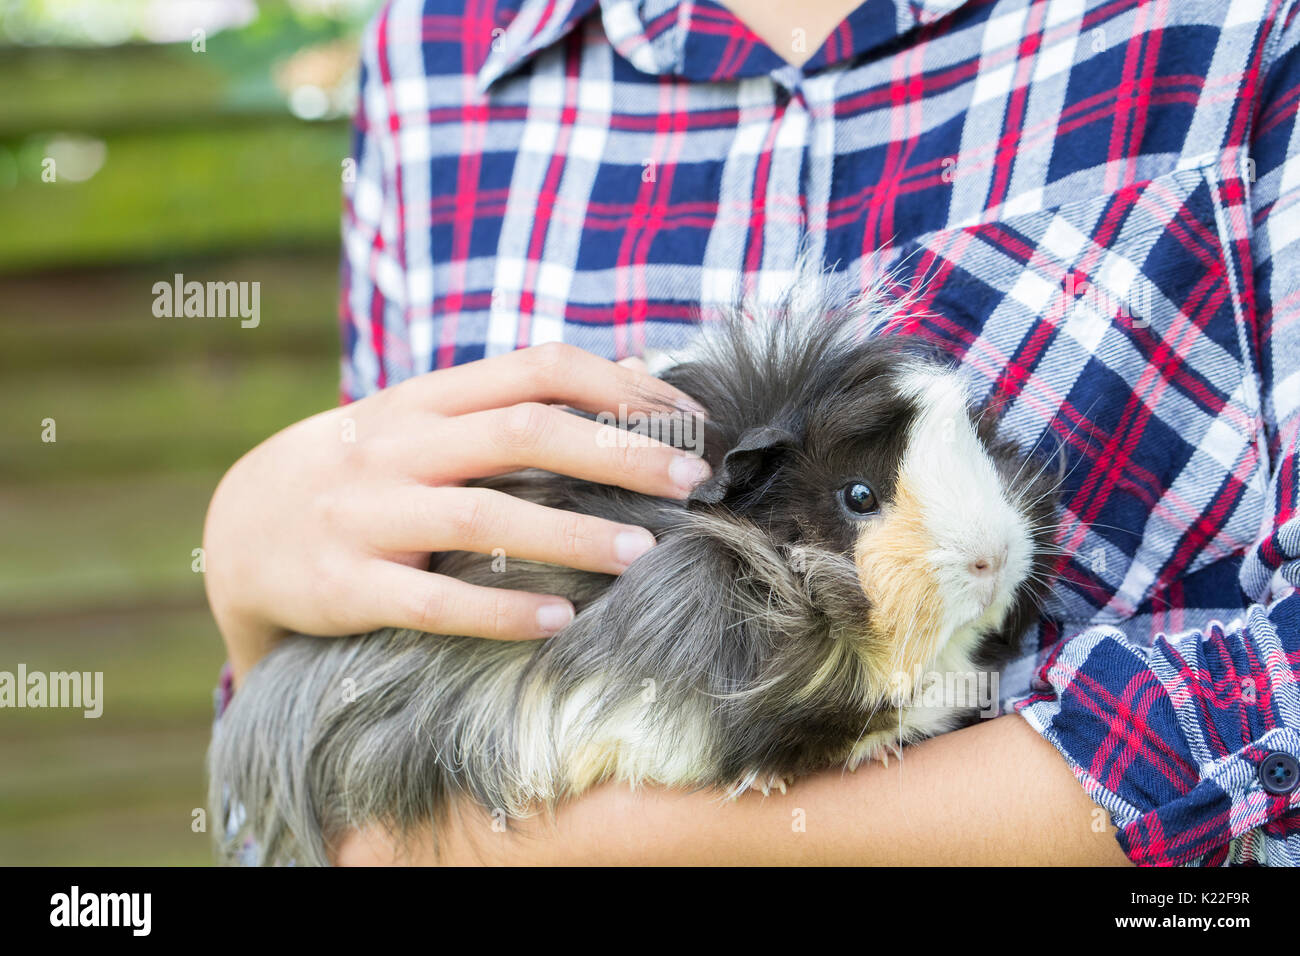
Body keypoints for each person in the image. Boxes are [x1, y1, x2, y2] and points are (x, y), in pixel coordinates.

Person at [204, 0, 1300, 865]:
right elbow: (339, 757)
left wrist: (622, 842)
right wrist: (245, 577)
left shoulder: (1226, 30)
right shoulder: (438, 51)